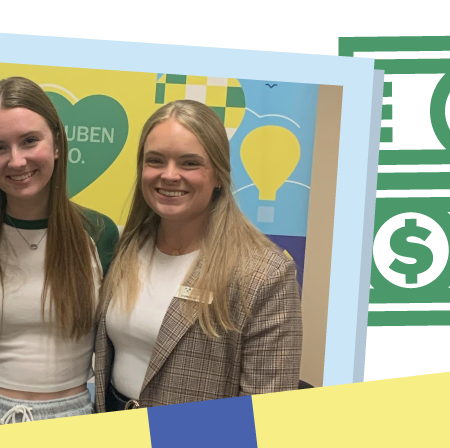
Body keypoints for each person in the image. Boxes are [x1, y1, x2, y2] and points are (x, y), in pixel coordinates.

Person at [95, 99, 302, 412]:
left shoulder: (264, 273)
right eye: (155, 160)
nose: (169, 175)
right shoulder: (129, 248)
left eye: (189, 163)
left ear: (218, 174)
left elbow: (267, 413)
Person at [0, 77, 119, 429]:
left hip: (73, 418)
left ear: (56, 144)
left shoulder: (100, 232)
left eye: (29, 141)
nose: (16, 160)